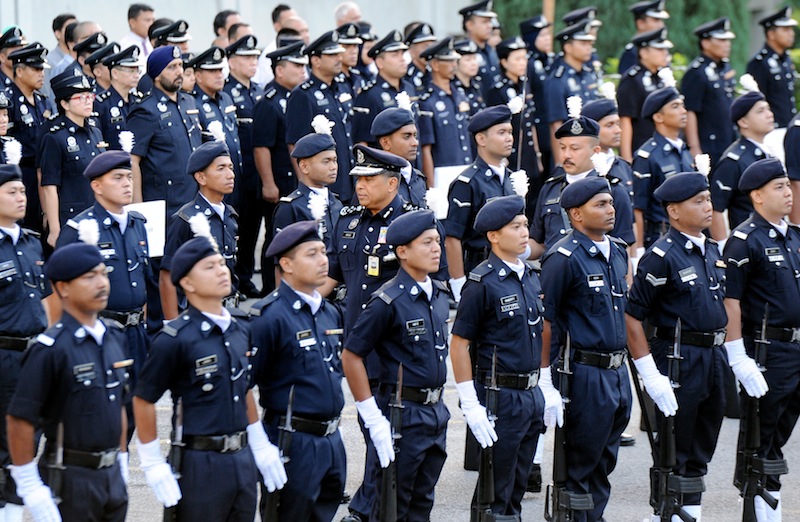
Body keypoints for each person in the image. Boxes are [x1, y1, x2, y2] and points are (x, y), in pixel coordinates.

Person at [626, 172, 766, 522]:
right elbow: (632, 317)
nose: (708, 206)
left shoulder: (712, 250)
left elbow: (727, 306)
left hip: (714, 356)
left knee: (703, 445)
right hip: (679, 358)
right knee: (674, 448)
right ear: (674, 211)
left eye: (708, 199)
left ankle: (691, 513)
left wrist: (736, 356)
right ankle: (666, 513)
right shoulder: (661, 256)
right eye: (698, 201)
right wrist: (649, 374)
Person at [133, 234, 287, 521]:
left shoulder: (240, 328)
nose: (221, 271)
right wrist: (152, 460)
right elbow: (143, 398)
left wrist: (259, 441)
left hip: (241, 459)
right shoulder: (175, 339)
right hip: (200, 464)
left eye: (221, 264)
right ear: (188, 283)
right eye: (209, 267)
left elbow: (242, 387)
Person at [330, 146, 446, 522]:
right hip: (361, 340)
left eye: (369, 179)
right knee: (373, 428)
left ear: (393, 183)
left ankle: (367, 508)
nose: (360, 187)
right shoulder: (347, 220)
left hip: (398, 348)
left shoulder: (414, 225)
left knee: (392, 435)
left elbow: (434, 282)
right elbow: (334, 276)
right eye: (358, 180)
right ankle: (371, 504)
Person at [6, 242, 131, 522]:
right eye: (89, 277)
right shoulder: (50, 349)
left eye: (104, 274)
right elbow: (20, 419)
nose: (102, 283)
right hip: (70, 478)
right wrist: (29, 483)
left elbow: (119, 405)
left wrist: (122, 460)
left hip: (111, 475)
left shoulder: (114, 337)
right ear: (63, 287)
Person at [450, 195, 553, 520]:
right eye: (515, 227)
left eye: (525, 225)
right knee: (495, 489)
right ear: (494, 236)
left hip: (530, 394)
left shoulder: (531, 276)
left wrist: (546, 385)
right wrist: (470, 402)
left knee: (518, 485)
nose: (525, 233)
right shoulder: (482, 283)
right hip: (501, 396)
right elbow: (460, 343)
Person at [540, 176, 632, 522]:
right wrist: (546, 379)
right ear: (576, 214)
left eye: (611, 203)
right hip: (585, 373)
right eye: (601, 204)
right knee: (581, 461)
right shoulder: (563, 257)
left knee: (605, 460)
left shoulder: (618, 251)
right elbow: (547, 322)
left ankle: (595, 516)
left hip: (617, 371)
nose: (611, 209)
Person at [250, 220, 346, 520]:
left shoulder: (330, 312)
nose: (323, 260)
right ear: (287, 265)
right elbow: (240, 386)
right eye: (311, 254)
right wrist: (259, 443)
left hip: (331, 439)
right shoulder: (269, 317)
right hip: (293, 440)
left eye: (323, 252)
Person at [56, 151, 150, 443]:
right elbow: (59, 289)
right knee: (99, 411)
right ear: (96, 186)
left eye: (129, 177)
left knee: (133, 408)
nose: (127, 184)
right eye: (117, 178)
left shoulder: (137, 223)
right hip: (100, 333)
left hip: (135, 332)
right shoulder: (80, 229)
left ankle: (119, 463)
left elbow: (146, 280)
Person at [724, 158, 799, 521]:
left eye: (787, 185)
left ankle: (772, 510)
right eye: (778, 187)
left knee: (779, 437)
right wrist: (738, 355)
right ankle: (756, 510)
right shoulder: (744, 241)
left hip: (796, 349)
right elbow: (731, 302)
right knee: (759, 440)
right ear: (757, 196)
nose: (788, 193)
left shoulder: (795, 237)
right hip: (769, 350)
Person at [0, 165, 50, 522]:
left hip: (33, 354)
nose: (22, 198)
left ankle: (13, 509)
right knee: (5, 440)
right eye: (12, 192)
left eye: (22, 191)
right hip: (3, 355)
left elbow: (46, 299)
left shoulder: (32, 242)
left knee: (28, 436)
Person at [530, 105, 634, 259]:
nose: (566, 155)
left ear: (595, 151)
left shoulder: (612, 190)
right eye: (562, 148)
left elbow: (623, 248)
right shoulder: (550, 188)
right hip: (555, 270)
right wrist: (518, 249)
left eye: (574, 148)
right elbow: (539, 243)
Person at [160, 141, 239, 321]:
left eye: (231, 168)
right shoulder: (186, 219)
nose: (230, 175)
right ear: (201, 178)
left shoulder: (229, 216)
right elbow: (167, 276)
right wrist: (173, 325)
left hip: (228, 312)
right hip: (198, 314)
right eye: (221, 169)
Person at [445, 105, 516, 304]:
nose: (509, 138)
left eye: (510, 132)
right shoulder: (467, 182)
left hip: (509, 267)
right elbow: (452, 237)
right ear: (481, 139)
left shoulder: (511, 179)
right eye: (501, 133)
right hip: (479, 269)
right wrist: (459, 284)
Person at [253, 41, 306, 294]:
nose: (302, 70)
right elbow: (261, 146)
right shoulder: (269, 102)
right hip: (279, 179)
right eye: (296, 66)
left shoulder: (297, 97)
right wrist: (268, 183)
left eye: (303, 66)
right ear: (280, 70)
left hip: (294, 179)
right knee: (276, 236)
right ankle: (269, 289)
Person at [127, 45, 203, 217]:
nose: (179, 72)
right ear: (157, 75)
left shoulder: (189, 102)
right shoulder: (145, 110)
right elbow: (133, 160)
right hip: (165, 203)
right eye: (171, 67)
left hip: (194, 197)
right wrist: (137, 208)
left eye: (180, 65)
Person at [39, 70, 107, 248]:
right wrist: (55, 230)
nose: (88, 101)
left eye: (89, 96)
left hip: (98, 214)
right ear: (64, 104)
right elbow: (49, 186)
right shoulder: (55, 138)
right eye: (80, 97)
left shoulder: (95, 132)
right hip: (73, 218)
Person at [285, 31, 355, 202]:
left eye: (339, 54)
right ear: (316, 61)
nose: (339, 58)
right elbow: (296, 144)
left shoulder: (342, 87)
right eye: (332, 55)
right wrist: (305, 187)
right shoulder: (303, 95)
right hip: (323, 185)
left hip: (348, 178)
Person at [224, 35, 265, 299]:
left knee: (252, 229)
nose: (253, 62)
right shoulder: (227, 92)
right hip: (236, 173)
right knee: (234, 230)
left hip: (256, 173)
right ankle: (234, 277)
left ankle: (246, 276)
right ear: (231, 62)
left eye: (255, 57)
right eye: (247, 57)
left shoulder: (259, 90)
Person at [632, 86, 694, 250]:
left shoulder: (684, 150)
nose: (683, 111)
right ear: (658, 117)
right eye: (675, 106)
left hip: (689, 235)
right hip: (661, 238)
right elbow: (638, 207)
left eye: (682, 106)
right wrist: (639, 250)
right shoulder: (647, 155)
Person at [710, 89, 775, 240]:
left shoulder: (768, 153)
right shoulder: (733, 160)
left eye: (768, 109)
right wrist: (722, 247)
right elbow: (716, 209)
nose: (769, 114)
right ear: (743, 122)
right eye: (760, 111)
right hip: (750, 241)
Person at [485, 36, 542, 203]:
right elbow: (494, 127)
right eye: (517, 59)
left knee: (534, 201)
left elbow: (530, 122)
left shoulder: (524, 84)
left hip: (529, 155)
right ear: (504, 62)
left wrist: (537, 155)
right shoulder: (498, 91)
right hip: (511, 155)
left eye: (524, 58)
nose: (523, 63)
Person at [187, 47, 243, 209]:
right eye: (212, 71)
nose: (219, 75)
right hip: (212, 184)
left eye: (220, 70)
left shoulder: (225, 98)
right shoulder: (193, 103)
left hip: (234, 179)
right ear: (198, 76)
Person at [6, 43, 51, 232]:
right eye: (36, 69)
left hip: (43, 171)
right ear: (20, 71)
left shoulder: (42, 101)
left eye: (42, 69)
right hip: (22, 173)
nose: (42, 74)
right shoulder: (8, 101)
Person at [274, 131, 342, 254]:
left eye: (335, 160)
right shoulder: (291, 207)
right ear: (304, 167)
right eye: (326, 161)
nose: (333, 167)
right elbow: (282, 257)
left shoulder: (336, 203)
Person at [681, 17, 737, 165]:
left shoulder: (724, 67)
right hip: (708, 144)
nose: (727, 44)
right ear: (705, 43)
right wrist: (694, 147)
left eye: (728, 40)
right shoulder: (696, 72)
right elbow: (690, 110)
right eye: (722, 40)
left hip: (728, 139)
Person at [417, 36, 473, 184]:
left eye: (455, 61)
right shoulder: (427, 102)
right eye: (449, 61)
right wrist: (431, 186)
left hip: (467, 166)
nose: (454, 65)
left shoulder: (460, 95)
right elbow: (426, 149)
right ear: (435, 65)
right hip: (443, 173)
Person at [544, 21, 599, 162]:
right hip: (572, 153)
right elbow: (556, 125)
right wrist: (561, 163)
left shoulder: (589, 74)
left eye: (590, 44)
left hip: (593, 148)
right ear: (568, 47)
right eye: (583, 44)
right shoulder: (558, 79)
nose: (588, 48)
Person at [616, 28, 672, 162]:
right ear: (644, 53)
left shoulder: (662, 76)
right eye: (659, 49)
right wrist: (627, 159)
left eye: (665, 49)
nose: (665, 53)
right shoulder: (632, 80)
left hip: (664, 149)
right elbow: (625, 120)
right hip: (642, 150)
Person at [351, 30, 414, 149]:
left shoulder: (409, 88)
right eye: (395, 55)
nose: (402, 59)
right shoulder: (369, 95)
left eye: (402, 54)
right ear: (380, 63)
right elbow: (362, 142)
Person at [746, 7, 797, 129]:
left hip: (789, 126)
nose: (791, 34)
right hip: (771, 129)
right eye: (785, 30)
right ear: (771, 34)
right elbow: (755, 102)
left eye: (791, 29)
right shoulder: (759, 63)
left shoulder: (786, 59)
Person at [371, 107, 427, 207]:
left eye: (415, 136)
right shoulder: (374, 184)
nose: (415, 143)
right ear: (385, 143)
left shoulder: (418, 179)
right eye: (407, 136)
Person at [520, 15, 554, 173]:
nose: (547, 39)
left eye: (548, 34)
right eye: (542, 35)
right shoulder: (529, 63)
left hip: (551, 124)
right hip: (538, 128)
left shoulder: (549, 59)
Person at [94, 45, 143, 151]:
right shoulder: (101, 103)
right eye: (131, 71)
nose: (136, 75)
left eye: (137, 71)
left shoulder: (138, 100)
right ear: (115, 74)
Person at [458, 0, 500, 97]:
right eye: (484, 22)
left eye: (490, 22)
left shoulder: (491, 50)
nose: (490, 26)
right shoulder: (461, 53)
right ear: (470, 25)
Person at [618, 0, 670, 75]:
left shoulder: (661, 50)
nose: (661, 25)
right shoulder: (632, 53)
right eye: (656, 20)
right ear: (641, 23)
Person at [452, 38, 485, 118]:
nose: (474, 63)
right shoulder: (452, 87)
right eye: (468, 60)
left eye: (474, 58)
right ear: (456, 62)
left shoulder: (478, 83)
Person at [404, 22, 436, 96]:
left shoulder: (434, 74)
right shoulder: (405, 77)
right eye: (425, 46)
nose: (429, 51)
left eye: (432, 46)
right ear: (411, 50)